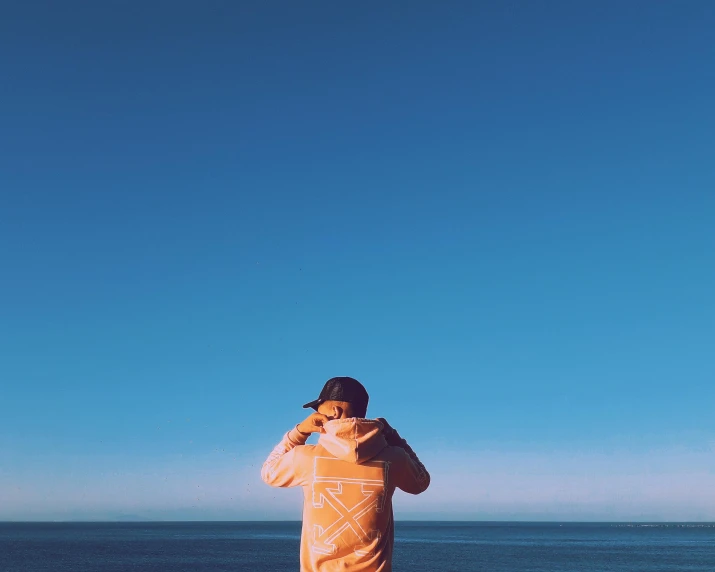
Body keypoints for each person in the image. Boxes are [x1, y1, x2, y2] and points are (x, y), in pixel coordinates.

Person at [261, 376, 430, 572]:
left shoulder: (306, 458)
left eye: (318, 408)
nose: (316, 414)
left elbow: (268, 472)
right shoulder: (394, 458)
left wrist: (299, 432)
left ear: (335, 411)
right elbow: (421, 482)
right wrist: (395, 438)